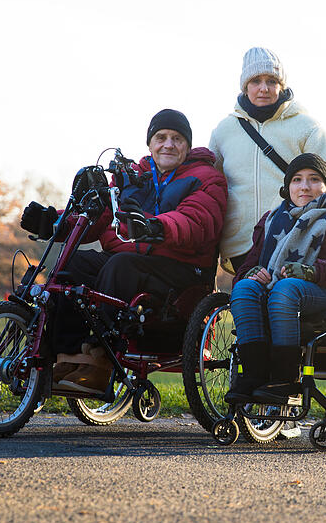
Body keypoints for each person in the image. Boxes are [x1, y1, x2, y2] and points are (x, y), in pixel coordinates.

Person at [20, 109, 228, 394]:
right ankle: (69, 356)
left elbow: (196, 221)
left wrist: (155, 226)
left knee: (122, 266)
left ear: (188, 146)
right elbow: (100, 216)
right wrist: (55, 223)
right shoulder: (133, 176)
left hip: (179, 268)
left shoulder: (207, 178)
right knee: (73, 264)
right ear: (150, 143)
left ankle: (101, 359)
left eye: (177, 139)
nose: (168, 144)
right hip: (131, 258)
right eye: (161, 137)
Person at [224, 153, 326, 406]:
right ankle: (253, 378)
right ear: (287, 187)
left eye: (314, 179)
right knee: (244, 288)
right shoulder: (271, 220)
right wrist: (252, 273)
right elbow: (245, 269)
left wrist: (314, 272)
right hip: (278, 293)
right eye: (297, 180)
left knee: (286, 288)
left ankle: (285, 380)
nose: (304, 186)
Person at [209, 47, 326, 274]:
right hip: (240, 245)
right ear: (245, 86)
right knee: (246, 297)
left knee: (283, 297)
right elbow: (211, 188)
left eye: (271, 81)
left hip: (295, 242)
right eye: (256, 81)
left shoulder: (308, 128)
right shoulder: (223, 131)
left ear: (281, 85)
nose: (264, 88)